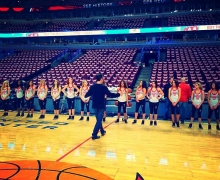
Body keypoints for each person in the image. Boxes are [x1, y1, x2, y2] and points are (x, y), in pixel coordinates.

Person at [85, 74, 120, 140]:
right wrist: (118, 94)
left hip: (94, 105)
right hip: (101, 106)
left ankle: (102, 131)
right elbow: (110, 95)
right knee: (99, 120)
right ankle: (94, 134)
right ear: (101, 79)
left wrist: (86, 96)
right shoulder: (103, 87)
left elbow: (87, 94)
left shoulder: (92, 87)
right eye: (103, 78)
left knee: (98, 119)